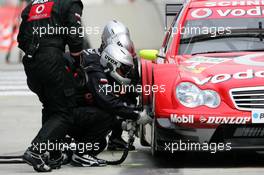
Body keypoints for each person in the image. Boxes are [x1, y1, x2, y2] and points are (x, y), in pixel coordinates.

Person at [17, 0, 84, 172]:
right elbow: (75, 36)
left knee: (51, 107)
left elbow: (21, 39)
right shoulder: (70, 3)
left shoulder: (31, 6)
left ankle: (54, 155)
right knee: (64, 112)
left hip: (31, 63)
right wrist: (76, 62)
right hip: (52, 60)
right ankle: (36, 151)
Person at [67, 44, 152, 167]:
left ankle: (70, 150)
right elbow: (108, 103)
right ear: (112, 63)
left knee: (100, 143)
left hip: (71, 113)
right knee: (106, 115)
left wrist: (121, 124)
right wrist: (136, 114)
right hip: (64, 115)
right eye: (123, 70)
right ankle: (81, 154)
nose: (125, 74)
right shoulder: (96, 72)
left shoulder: (103, 71)